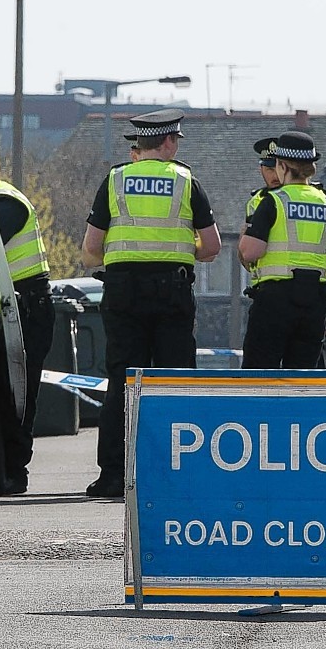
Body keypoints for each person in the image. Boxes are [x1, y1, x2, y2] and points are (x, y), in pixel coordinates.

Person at [80, 109, 221, 499]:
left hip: (123, 292)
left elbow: (91, 250)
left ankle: (112, 476)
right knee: (175, 382)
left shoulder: (115, 180)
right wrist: (179, 248)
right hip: (172, 292)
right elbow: (211, 247)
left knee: (122, 381)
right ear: (170, 142)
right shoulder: (186, 181)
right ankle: (180, 473)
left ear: (139, 145)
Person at [238, 131, 326, 369]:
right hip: (314, 302)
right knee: (302, 379)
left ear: (282, 166)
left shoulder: (274, 201)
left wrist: (245, 236)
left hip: (274, 300)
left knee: (259, 378)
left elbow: (250, 253)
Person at [0, 173, 53, 496]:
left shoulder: (5, 204)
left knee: (18, 394)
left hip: (26, 308)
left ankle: (15, 471)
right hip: (11, 307)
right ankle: (6, 468)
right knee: (5, 394)